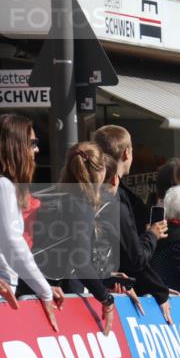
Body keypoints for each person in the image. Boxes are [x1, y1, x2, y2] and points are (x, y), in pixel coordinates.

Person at [0, 114, 63, 329]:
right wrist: (44, 291)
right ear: (14, 146)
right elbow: (13, 245)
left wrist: (42, 286)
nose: (37, 150)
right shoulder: (0, 186)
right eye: (33, 143)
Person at [30, 142, 115, 335]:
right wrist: (106, 299)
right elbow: (81, 262)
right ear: (100, 172)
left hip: (31, 283)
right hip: (54, 291)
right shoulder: (80, 205)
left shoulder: (52, 195)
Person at [94, 125, 172, 323]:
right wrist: (152, 235)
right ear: (127, 153)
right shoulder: (115, 198)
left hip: (99, 289)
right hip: (98, 297)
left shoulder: (88, 191)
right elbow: (134, 256)